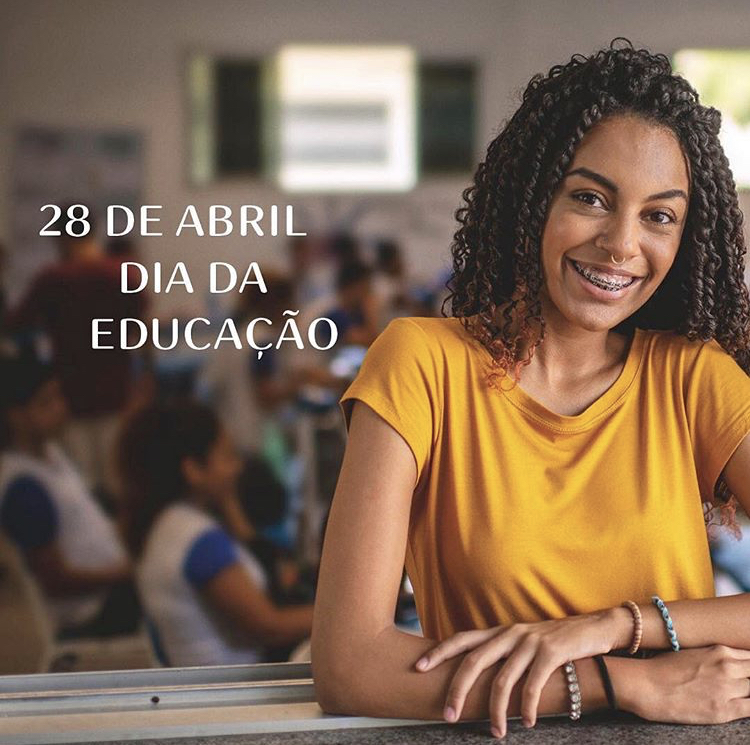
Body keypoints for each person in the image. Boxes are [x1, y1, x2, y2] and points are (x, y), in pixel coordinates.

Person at [311, 39, 750, 738]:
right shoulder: (421, 364)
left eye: (658, 215)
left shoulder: (693, 378)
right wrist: (619, 678)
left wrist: (618, 624)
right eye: (589, 198)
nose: (620, 243)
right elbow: (349, 666)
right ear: (531, 199)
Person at [118, 401, 314, 667]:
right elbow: (269, 626)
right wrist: (346, 616)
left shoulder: (167, 524)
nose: (238, 468)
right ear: (193, 470)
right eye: (227, 457)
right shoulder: (199, 540)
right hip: (235, 689)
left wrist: (228, 502)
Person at [6, 207, 147, 502]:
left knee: (79, 491)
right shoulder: (125, 274)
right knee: (120, 487)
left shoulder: (52, 279)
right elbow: (143, 335)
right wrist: (144, 385)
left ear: (61, 238)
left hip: (71, 399)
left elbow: (16, 324)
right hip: (116, 394)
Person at [0, 354, 137, 638]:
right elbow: (55, 580)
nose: (61, 408)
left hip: (111, 587)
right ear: (16, 416)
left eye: (59, 397)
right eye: (46, 403)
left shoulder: (51, 453)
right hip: (89, 613)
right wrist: (127, 572)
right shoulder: (23, 487)